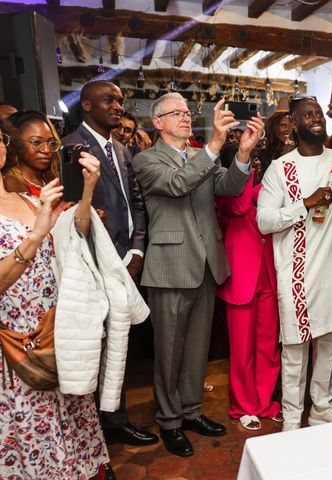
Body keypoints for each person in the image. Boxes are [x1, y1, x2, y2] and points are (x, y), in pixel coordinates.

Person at [131, 93, 262, 456]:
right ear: (157, 122)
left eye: (188, 113)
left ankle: (191, 411)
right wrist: (216, 144)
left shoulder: (198, 155)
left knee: (196, 349)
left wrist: (244, 153)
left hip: (205, 262)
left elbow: (229, 188)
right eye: (176, 113)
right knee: (168, 353)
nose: (186, 118)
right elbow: (176, 185)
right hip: (170, 266)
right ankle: (170, 421)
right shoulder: (146, 160)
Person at [256, 94, 332, 431]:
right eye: (307, 115)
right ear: (293, 124)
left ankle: (322, 407)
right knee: (295, 351)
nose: (315, 118)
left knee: (329, 342)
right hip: (298, 273)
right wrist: (306, 204)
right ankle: (293, 417)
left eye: (318, 114)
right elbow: (264, 221)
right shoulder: (280, 169)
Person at [0, 126, 111, 478]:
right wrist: (34, 236)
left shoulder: (25, 195)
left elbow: (74, 236)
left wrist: (88, 190)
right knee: (30, 422)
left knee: (70, 408)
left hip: (54, 325)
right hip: (15, 337)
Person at [62, 80, 154, 448]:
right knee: (91, 347)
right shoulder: (69, 148)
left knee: (120, 345)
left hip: (126, 260)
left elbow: (137, 204)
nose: (118, 105)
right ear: (86, 105)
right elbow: (69, 215)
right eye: (108, 100)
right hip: (91, 262)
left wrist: (138, 250)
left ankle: (115, 420)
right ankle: (92, 435)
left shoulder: (121, 148)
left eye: (119, 99)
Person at [216, 160, 281, 431]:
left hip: (270, 273)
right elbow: (239, 207)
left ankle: (265, 402)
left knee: (268, 345)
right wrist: (248, 173)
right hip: (242, 275)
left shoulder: (273, 185)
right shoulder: (226, 191)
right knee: (242, 348)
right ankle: (244, 406)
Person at [2, 111, 61, 197]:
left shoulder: (51, 178)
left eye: (51, 143)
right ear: (16, 143)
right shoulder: (11, 182)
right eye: (37, 142)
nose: (47, 150)